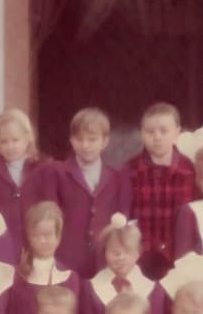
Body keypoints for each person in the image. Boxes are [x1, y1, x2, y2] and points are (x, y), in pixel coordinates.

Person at [35, 107, 132, 278]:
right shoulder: (56, 172)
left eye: (92, 139)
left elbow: (122, 219)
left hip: (105, 261)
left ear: (105, 141)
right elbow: (49, 215)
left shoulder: (118, 177)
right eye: (79, 139)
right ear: (71, 140)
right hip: (66, 259)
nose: (85, 145)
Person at [125, 102, 196, 279]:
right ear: (141, 134)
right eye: (150, 132)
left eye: (164, 131)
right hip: (140, 261)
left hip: (180, 260)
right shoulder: (128, 171)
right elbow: (125, 217)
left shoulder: (191, 171)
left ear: (177, 132)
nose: (157, 137)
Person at [79, 214, 169, 314]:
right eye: (115, 252)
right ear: (104, 253)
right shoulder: (90, 288)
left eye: (128, 252)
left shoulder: (154, 290)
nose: (121, 258)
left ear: (138, 252)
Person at [4, 201, 81, 314]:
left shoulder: (70, 278)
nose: (42, 241)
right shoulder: (18, 276)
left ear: (58, 236)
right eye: (36, 235)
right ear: (28, 237)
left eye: (48, 235)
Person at [0, 108, 47, 265]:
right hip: (4, 247)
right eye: (4, 141)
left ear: (27, 138)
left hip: (36, 244)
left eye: (15, 140)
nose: (10, 146)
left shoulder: (42, 169)